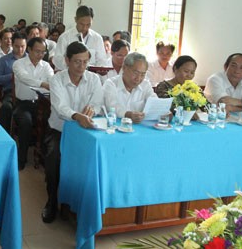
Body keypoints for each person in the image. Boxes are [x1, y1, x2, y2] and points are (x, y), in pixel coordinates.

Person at [42, 42, 103, 223]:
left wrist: (91, 110)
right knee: (53, 158)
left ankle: (84, 204)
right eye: (77, 62)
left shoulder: (93, 79)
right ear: (67, 60)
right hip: (59, 130)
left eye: (85, 62)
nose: (81, 67)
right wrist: (77, 115)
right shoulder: (57, 79)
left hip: (86, 131)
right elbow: (60, 108)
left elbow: (97, 103)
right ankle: (52, 201)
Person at [13, 37, 54, 170]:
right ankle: (21, 159)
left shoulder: (46, 66)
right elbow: (24, 78)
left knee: (52, 122)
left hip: (41, 104)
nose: (40, 55)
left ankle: (44, 157)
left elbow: (53, 80)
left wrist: (52, 85)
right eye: (37, 51)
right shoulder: (19, 64)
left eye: (43, 52)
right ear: (29, 49)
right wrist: (42, 83)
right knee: (26, 123)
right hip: (23, 104)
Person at [104, 52, 157, 123]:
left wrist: (164, 112)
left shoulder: (145, 85)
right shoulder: (110, 84)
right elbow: (111, 107)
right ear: (124, 68)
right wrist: (127, 114)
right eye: (135, 73)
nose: (138, 78)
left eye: (142, 74)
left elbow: (155, 102)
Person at [0, 32, 27, 132]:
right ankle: (5, 134)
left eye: (22, 46)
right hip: (10, 93)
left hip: (27, 94)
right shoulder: (4, 60)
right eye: (17, 46)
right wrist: (12, 76)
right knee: (5, 107)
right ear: (12, 45)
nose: (20, 49)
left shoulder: (30, 59)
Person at [52, 5, 105, 70]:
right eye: (82, 24)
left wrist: (99, 69)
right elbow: (58, 59)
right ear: (75, 19)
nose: (85, 28)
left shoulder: (97, 38)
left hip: (90, 77)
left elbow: (101, 60)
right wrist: (74, 68)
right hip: (69, 75)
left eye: (88, 24)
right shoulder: (65, 37)